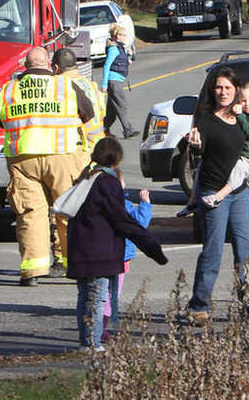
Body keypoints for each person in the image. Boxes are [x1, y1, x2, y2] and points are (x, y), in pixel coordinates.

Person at [0, 47, 95, 286]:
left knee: (31, 213)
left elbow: (0, 119)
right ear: (49, 65)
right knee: (69, 211)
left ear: (25, 66)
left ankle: (32, 271)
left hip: (23, 160)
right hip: (61, 155)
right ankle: (76, 265)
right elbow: (88, 113)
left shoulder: (9, 89)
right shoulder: (65, 86)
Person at [185, 67, 249, 326]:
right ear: (214, 90)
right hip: (213, 192)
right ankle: (198, 307)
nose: (223, 92)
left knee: (245, 252)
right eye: (219, 87)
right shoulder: (208, 120)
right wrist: (195, 146)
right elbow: (196, 150)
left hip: (239, 192)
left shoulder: (244, 117)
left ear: (237, 90)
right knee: (212, 252)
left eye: (228, 88)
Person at [66, 137, 168, 351]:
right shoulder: (107, 183)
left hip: (79, 250)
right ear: (117, 160)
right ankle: (93, 343)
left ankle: (85, 341)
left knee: (84, 297)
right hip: (99, 253)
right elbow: (121, 220)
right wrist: (152, 247)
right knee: (98, 298)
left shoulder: (85, 179)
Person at [50, 47, 107, 277]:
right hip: (97, 153)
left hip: (74, 151)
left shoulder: (59, 87)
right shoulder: (91, 86)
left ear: (55, 68)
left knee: (63, 206)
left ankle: (61, 258)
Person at [177, 81, 249, 217]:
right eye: (243, 100)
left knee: (238, 170)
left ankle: (218, 197)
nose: (247, 104)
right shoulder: (229, 117)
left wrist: (240, 116)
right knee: (200, 169)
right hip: (235, 158)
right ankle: (192, 202)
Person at [101, 176, 153, 343]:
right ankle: (99, 328)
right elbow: (140, 222)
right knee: (111, 294)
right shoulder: (125, 205)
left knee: (96, 292)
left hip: (97, 255)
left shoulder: (95, 203)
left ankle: (91, 325)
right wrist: (145, 203)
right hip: (120, 257)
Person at [101, 23, 139, 139]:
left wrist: (129, 56)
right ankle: (128, 130)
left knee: (112, 111)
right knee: (122, 105)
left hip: (117, 80)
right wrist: (104, 84)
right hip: (114, 81)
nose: (126, 37)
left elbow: (123, 62)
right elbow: (106, 65)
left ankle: (102, 128)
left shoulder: (120, 48)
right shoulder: (114, 49)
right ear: (117, 36)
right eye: (124, 35)